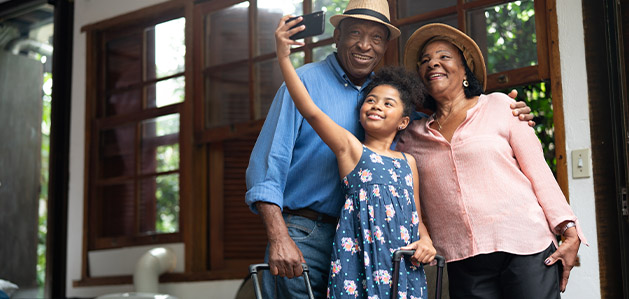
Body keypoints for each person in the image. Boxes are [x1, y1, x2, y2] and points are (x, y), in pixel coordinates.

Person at [245, 0, 533, 297]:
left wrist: (497, 108)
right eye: (355, 33)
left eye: (377, 38)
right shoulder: (303, 84)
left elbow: (448, 117)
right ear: (337, 37)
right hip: (307, 234)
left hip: (375, 244)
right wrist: (279, 236)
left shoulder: (388, 95)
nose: (365, 45)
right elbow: (268, 165)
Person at [396, 23, 588, 299]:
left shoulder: (500, 107)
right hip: (463, 258)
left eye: (444, 57)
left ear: (465, 70)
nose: (432, 63)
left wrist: (569, 230)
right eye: (424, 61)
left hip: (526, 246)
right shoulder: (411, 136)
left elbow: (539, 173)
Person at [275, 14, 436, 298]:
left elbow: (417, 217)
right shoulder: (352, 149)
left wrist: (426, 241)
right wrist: (284, 58)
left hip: (402, 267)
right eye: (371, 100)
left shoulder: (407, 162)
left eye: (388, 103)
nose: (376, 106)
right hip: (360, 265)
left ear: (403, 121)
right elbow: (310, 110)